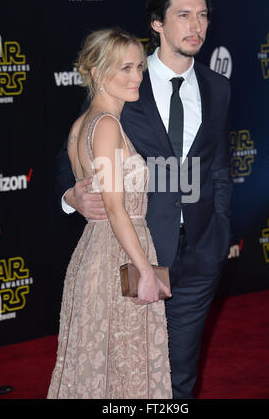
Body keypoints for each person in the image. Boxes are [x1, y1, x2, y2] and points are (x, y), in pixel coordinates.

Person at [57, 0, 232, 399]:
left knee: (180, 377)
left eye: (203, 16)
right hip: (137, 251)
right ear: (157, 23)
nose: (196, 26)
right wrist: (70, 194)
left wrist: (221, 232)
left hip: (199, 254)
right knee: (133, 375)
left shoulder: (218, 87)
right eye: (184, 15)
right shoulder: (126, 83)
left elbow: (220, 167)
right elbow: (78, 147)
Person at [47, 29, 172, 399]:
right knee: (126, 374)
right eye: (126, 68)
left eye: (139, 67)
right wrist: (146, 271)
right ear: (99, 73)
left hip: (97, 255)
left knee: (100, 372)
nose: (137, 77)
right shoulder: (106, 126)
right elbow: (116, 209)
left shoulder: (80, 125)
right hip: (119, 258)